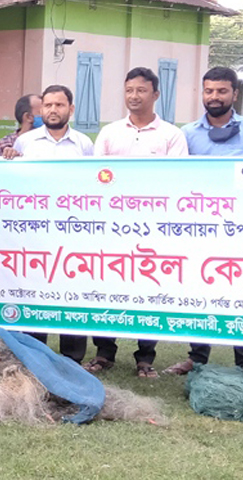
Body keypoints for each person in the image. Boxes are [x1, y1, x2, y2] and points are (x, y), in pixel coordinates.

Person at [166, 66, 243, 375]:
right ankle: (197, 357)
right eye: (209, 90)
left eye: (222, 91)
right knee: (200, 290)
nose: (214, 96)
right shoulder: (187, 134)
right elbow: (179, 180)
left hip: (242, 226)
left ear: (234, 94)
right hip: (199, 226)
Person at [83, 67, 188, 378]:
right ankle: (104, 352)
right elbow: (96, 178)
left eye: (141, 90)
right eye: (129, 90)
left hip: (153, 226)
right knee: (105, 284)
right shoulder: (110, 133)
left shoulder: (171, 135)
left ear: (155, 94)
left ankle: (145, 357)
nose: (134, 96)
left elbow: (178, 180)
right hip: (111, 225)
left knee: (149, 286)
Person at [2, 85, 94, 363]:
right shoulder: (25, 142)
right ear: (41, 109)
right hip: (34, 234)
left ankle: (72, 358)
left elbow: (91, 186)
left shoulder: (84, 145)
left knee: (71, 293)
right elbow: (12, 184)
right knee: (34, 292)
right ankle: (34, 355)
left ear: (71, 109)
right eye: (48, 105)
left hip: (72, 232)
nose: (53, 110)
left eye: (59, 105)